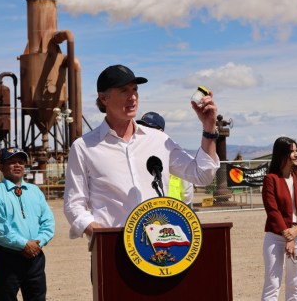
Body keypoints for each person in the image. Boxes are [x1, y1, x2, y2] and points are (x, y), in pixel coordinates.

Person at [64, 64, 219, 239]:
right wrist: (97, 233)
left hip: (160, 248)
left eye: (135, 90)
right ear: (104, 98)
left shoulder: (159, 140)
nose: (133, 97)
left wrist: (209, 127)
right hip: (112, 250)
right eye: (124, 91)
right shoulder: (84, 147)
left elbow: (202, 175)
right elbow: (73, 204)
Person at [0, 147, 55, 301]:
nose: (17, 165)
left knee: (37, 297)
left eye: (21, 162)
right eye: (12, 162)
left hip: (35, 257)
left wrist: (39, 242)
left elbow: (48, 221)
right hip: (7, 258)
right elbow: (0, 230)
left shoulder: (35, 192)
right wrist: (24, 244)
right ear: (1, 167)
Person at [261, 137, 297, 301]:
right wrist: (288, 236)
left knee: (295, 285)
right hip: (275, 236)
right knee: (272, 284)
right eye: (292, 151)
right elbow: (272, 210)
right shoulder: (271, 179)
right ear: (282, 154)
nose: (296, 154)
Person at [136, 111, 195, 207]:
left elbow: (187, 194)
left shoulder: (175, 157)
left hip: (173, 213)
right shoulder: (134, 156)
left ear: (160, 132)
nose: (144, 131)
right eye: (141, 128)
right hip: (143, 213)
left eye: (149, 128)